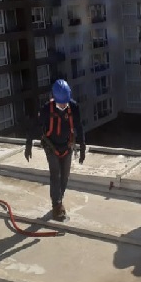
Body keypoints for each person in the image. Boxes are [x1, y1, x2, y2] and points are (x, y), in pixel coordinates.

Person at [24, 79, 86, 221]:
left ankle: (59, 200)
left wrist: (82, 147)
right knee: (55, 174)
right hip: (51, 147)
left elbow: (79, 127)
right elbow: (34, 126)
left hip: (67, 146)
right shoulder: (47, 109)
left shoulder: (74, 108)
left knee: (65, 176)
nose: (64, 105)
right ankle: (56, 205)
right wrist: (28, 145)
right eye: (61, 102)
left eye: (66, 102)